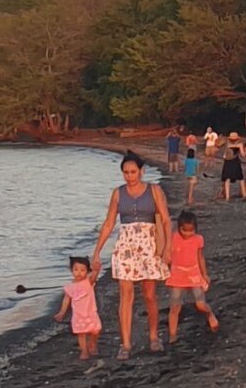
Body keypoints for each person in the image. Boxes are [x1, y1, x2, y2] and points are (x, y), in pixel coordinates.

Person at [91, 151, 171, 360]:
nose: (129, 176)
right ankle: (125, 344)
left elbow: (165, 220)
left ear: (141, 171)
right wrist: (97, 251)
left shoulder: (154, 190)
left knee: (149, 295)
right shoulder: (118, 193)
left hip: (149, 246)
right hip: (126, 246)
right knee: (125, 296)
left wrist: (168, 247)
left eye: (133, 172)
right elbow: (109, 223)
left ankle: (154, 337)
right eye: (126, 172)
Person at [165, 210, 218, 342]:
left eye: (191, 231)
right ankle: (172, 335)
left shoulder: (198, 240)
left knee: (200, 304)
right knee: (175, 307)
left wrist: (204, 274)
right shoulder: (173, 237)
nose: (188, 234)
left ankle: (209, 314)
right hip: (177, 274)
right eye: (185, 230)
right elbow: (164, 228)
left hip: (194, 274)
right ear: (179, 228)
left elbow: (200, 258)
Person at [54, 256, 102, 360]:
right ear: (71, 270)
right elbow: (66, 299)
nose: (79, 273)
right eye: (76, 270)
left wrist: (96, 270)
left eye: (82, 270)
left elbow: (93, 277)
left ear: (87, 271)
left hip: (90, 312)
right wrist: (62, 312)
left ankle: (92, 343)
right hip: (78, 314)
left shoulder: (88, 282)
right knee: (81, 333)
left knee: (96, 330)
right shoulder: (70, 287)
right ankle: (84, 351)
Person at [218, 132, 246, 201]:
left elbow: (224, 155)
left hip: (227, 162)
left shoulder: (228, 144)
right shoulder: (239, 145)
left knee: (227, 179)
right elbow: (243, 155)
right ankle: (244, 193)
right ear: (237, 139)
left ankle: (227, 196)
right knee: (240, 178)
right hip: (235, 162)